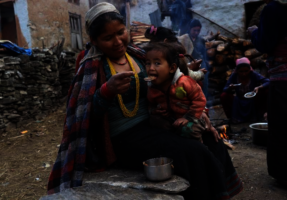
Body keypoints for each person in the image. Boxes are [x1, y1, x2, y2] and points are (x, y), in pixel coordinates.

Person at [47, 3, 243, 199]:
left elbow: (174, 86)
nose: (117, 41)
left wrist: (198, 115)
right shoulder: (91, 69)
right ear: (95, 41)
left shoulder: (140, 56)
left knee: (212, 138)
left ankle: (223, 192)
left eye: (121, 32)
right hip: (124, 138)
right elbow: (83, 120)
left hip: (156, 124)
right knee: (192, 152)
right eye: (108, 38)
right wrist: (106, 92)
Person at [248, 0, 287, 186]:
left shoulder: (274, 9)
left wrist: (255, 32)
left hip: (283, 79)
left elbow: (265, 43)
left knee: (280, 126)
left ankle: (283, 173)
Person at [145, 42, 206, 142]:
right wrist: (154, 110)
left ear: (172, 68)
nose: (151, 68)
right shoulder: (152, 86)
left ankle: (200, 149)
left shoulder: (184, 82)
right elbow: (150, 102)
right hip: (171, 119)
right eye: (148, 63)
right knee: (154, 122)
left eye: (157, 63)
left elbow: (199, 99)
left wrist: (188, 118)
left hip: (192, 117)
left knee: (189, 130)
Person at [220, 57, 269, 124]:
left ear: (249, 70)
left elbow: (268, 82)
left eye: (246, 71)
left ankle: (261, 115)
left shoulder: (253, 74)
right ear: (237, 71)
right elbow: (224, 89)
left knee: (266, 90)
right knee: (224, 95)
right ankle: (232, 117)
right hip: (239, 100)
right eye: (241, 71)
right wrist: (230, 88)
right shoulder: (234, 75)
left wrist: (259, 87)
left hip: (253, 99)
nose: (244, 74)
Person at [188, 19, 210, 98]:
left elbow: (204, 53)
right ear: (190, 29)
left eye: (198, 30)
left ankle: (204, 101)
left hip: (201, 63)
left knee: (204, 82)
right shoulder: (186, 39)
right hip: (190, 64)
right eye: (194, 30)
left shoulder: (201, 40)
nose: (196, 32)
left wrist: (205, 63)